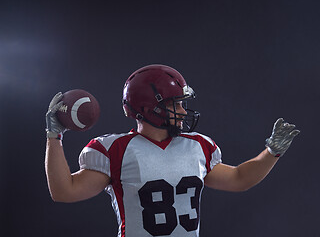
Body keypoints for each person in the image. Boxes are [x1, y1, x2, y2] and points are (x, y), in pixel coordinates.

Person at [45, 64, 300, 237]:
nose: (181, 111)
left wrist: (271, 152)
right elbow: (64, 191)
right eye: (174, 104)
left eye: (181, 103)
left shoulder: (198, 145)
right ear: (146, 108)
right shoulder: (115, 150)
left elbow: (239, 179)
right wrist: (54, 136)